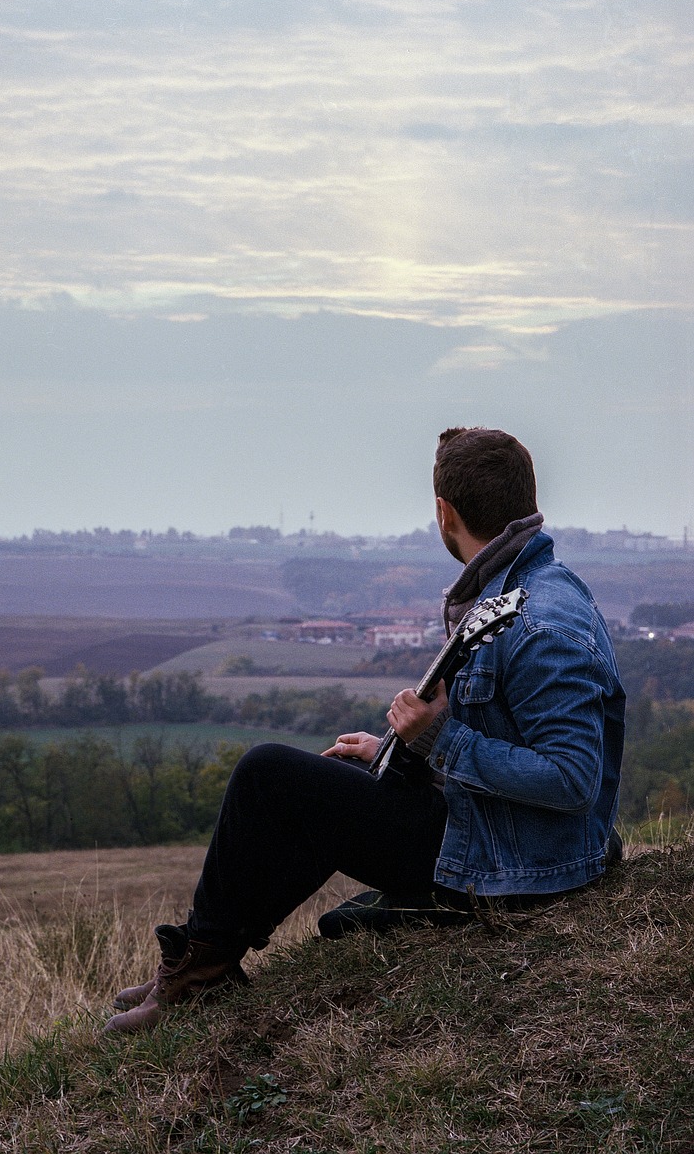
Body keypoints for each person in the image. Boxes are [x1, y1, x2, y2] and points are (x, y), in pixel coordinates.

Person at [103, 427, 625, 1034]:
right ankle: (206, 957)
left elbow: (571, 779)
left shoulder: (542, 622)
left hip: (524, 869)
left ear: (444, 512)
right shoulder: (517, 590)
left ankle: (200, 972)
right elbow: (513, 736)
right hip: (505, 838)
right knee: (340, 774)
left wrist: (438, 740)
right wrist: (396, 752)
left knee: (265, 774)